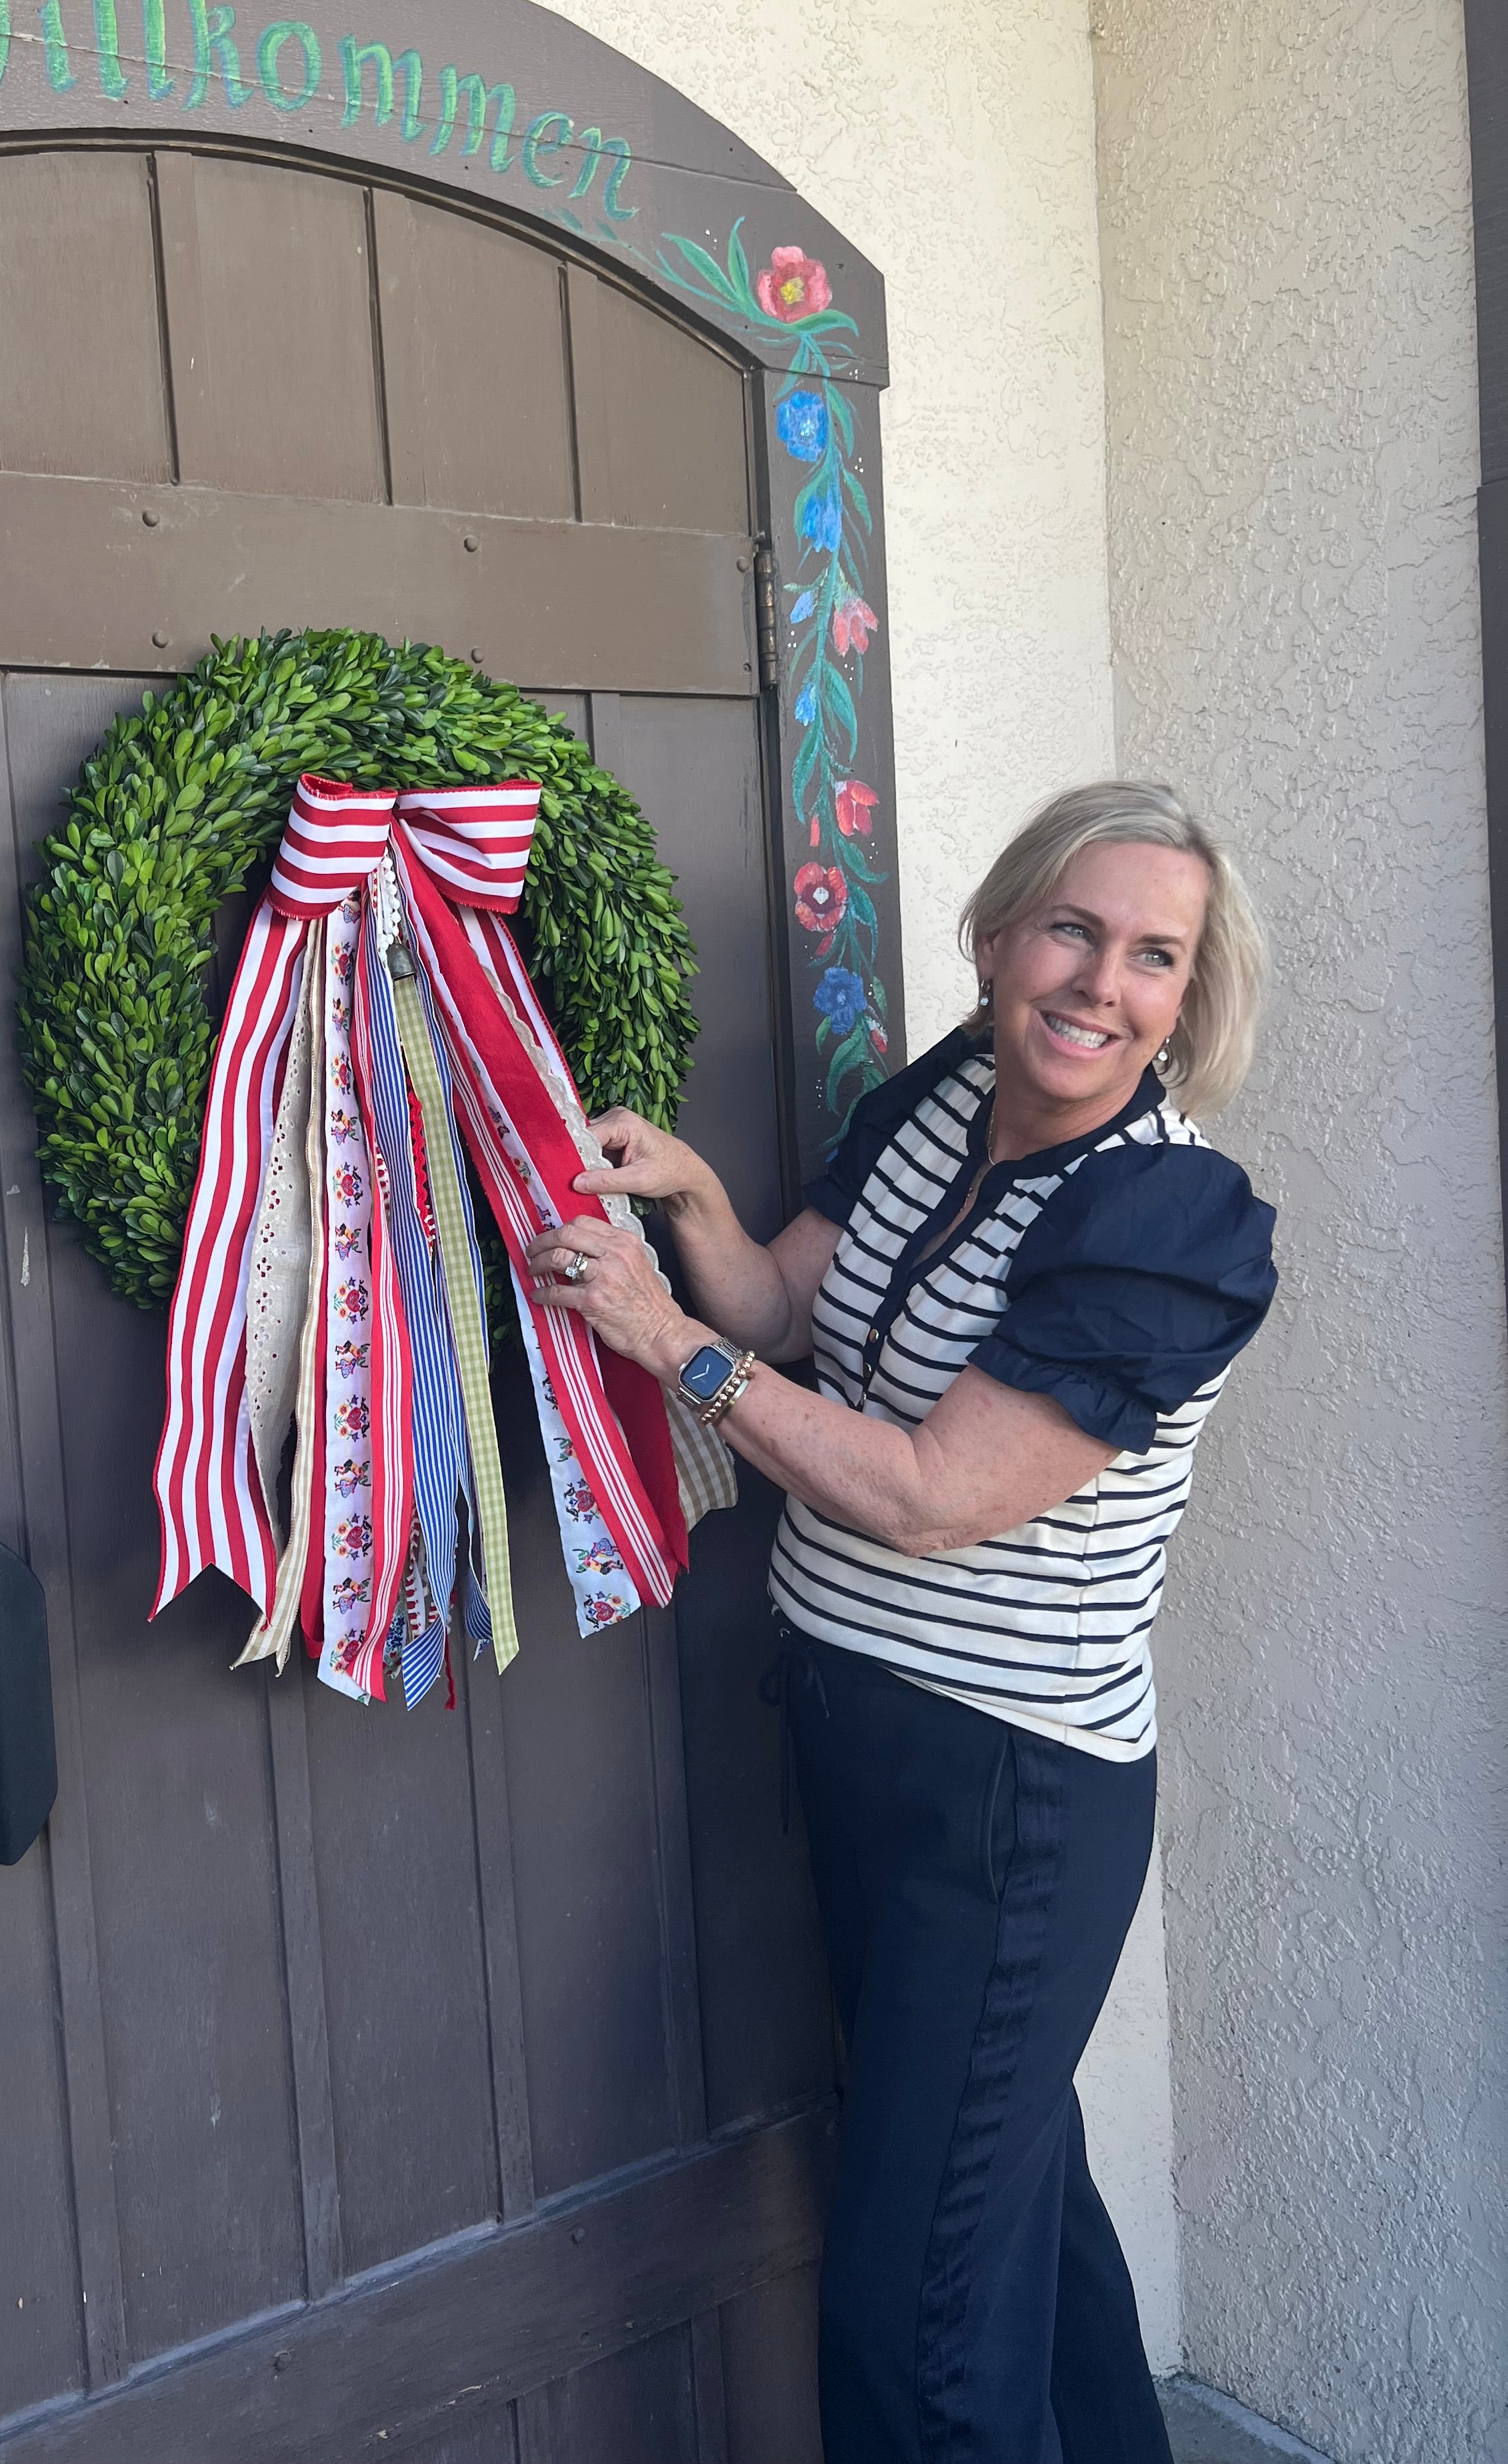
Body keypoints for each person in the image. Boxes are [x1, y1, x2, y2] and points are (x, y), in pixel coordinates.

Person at [524, 780, 1278, 2464]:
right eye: (1073, 930)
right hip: (858, 1736)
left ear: (1187, 998)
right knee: (1010, 2217)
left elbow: (934, 1493)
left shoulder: (1170, 1224)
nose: (1100, 983)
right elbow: (790, 1307)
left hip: (1010, 1797)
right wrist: (699, 1213)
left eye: (1154, 957)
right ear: (1001, 933)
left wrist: (666, 1345)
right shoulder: (943, 1096)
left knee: (914, 2305)